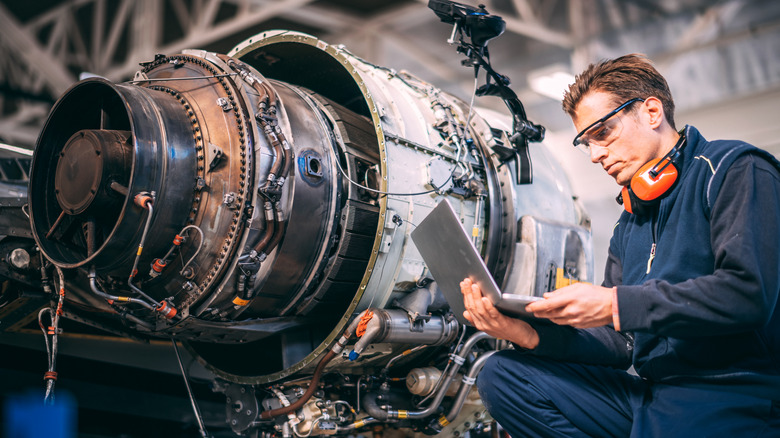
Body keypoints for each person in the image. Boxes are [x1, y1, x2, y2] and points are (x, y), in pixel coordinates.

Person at [461, 54, 780, 437]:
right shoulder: (631, 219)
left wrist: (613, 304)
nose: (595, 155)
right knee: (503, 375)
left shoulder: (736, 170)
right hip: (655, 395)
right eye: (586, 142)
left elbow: (746, 294)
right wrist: (526, 334)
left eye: (603, 132)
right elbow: (620, 343)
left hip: (735, 392)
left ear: (650, 111)